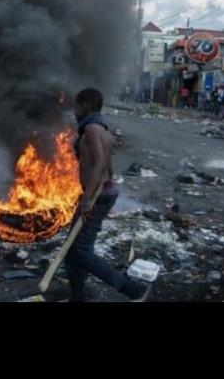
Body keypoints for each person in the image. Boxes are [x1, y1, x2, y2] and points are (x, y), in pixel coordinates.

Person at [68, 88, 152, 302]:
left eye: (76, 107)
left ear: (85, 106)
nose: (74, 112)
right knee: (72, 248)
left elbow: (100, 163)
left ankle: (132, 290)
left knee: (82, 252)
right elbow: (110, 169)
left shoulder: (92, 130)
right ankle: (77, 295)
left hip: (96, 197)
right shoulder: (103, 130)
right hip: (102, 193)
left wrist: (88, 200)